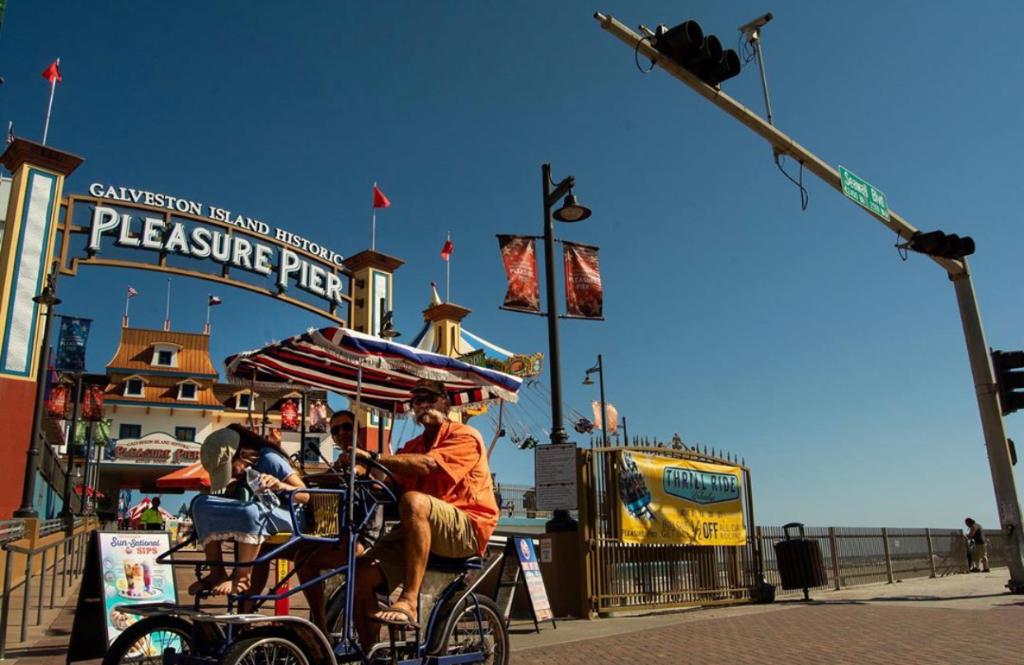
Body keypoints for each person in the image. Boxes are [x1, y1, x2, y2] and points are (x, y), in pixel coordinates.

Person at [348, 379, 498, 646]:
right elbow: (389, 481)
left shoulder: (464, 435)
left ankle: (409, 600)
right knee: (359, 575)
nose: (424, 404)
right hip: (419, 529)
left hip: (467, 529)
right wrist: (359, 472)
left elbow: (429, 465)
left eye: (430, 398)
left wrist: (373, 457)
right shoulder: (413, 445)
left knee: (414, 501)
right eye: (418, 400)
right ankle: (370, 652)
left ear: (445, 403)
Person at [188, 424, 308, 596]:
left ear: (243, 454)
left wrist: (280, 485)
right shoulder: (243, 471)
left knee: (251, 511)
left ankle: (243, 577)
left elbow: (305, 496)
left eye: (230, 470)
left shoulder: (269, 458)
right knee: (200, 504)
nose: (231, 475)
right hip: (261, 514)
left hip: (291, 516)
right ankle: (217, 572)